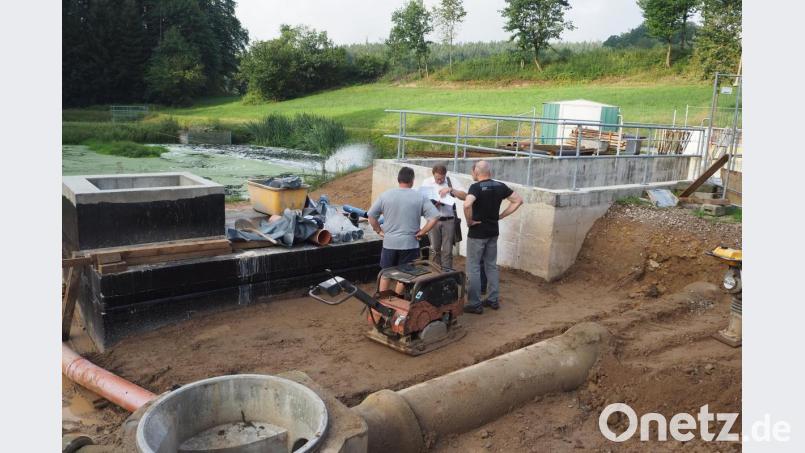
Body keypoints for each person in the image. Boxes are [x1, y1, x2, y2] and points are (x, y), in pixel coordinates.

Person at [462, 160, 523, 314]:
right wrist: (501, 215)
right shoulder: (500, 186)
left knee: (473, 267)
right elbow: (518, 200)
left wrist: (469, 221)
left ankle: (475, 303)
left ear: (476, 171)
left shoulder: (475, 187)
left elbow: (467, 204)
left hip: (477, 233)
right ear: (489, 171)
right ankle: (493, 299)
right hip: (492, 232)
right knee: (491, 265)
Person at [368, 166, 440, 292]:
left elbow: (371, 216)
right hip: (410, 243)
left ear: (398, 179)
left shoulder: (385, 195)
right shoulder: (419, 197)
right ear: (412, 181)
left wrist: (378, 230)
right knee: (405, 276)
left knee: (385, 274)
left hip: (389, 243)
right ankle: (397, 302)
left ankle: (382, 304)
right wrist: (422, 232)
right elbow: (434, 217)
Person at [419, 164, 467, 270]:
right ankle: (436, 273)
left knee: (448, 250)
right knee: (435, 249)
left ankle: (447, 274)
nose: (439, 181)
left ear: (445, 175)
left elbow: (465, 196)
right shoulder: (427, 182)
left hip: (448, 220)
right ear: (433, 175)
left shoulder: (451, 181)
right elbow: (421, 200)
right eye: (437, 179)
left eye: (441, 178)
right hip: (433, 221)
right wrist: (432, 204)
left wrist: (451, 190)